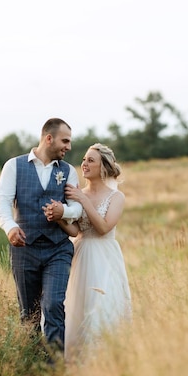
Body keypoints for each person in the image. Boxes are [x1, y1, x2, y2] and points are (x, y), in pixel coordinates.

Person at [0, 118, 82, 357]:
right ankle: (32, 368)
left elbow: (77, 208)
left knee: (53, 305)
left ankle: (55, 368)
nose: (69, 147)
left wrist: (64, 211)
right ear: (49, 138)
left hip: (58, 249)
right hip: (25, 249)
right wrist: (10, 227)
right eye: (65, 141)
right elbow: (1, 200)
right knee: (29, 313)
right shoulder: (14, 166)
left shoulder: (68, 171)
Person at [45, 143, 132, 361]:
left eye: (91, 160)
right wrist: (59, 219)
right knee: (77, 308)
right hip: (81, 254)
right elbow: (76, 230)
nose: (84, 164)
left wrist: (83, 200)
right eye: (84, 159)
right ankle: (74, 364)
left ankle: (103, 361)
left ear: (104, 167)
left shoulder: (116, 197)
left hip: (104, 257)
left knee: (102, 309)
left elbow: (103, 228)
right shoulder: (77, 194)